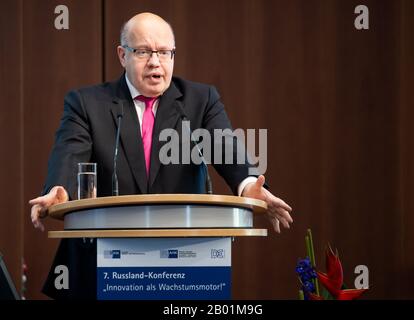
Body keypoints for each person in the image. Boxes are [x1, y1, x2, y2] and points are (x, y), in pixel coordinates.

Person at [29, 12, 293, 299]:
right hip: (100, 265)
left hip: (182, 266)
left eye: (165, 52)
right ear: (122, 55)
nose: (155, 61)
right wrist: (60, 189)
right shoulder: (87, 103)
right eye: (143, 51)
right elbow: (70, 153)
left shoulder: (200, 100)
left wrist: (248, 184)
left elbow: (226, 148)